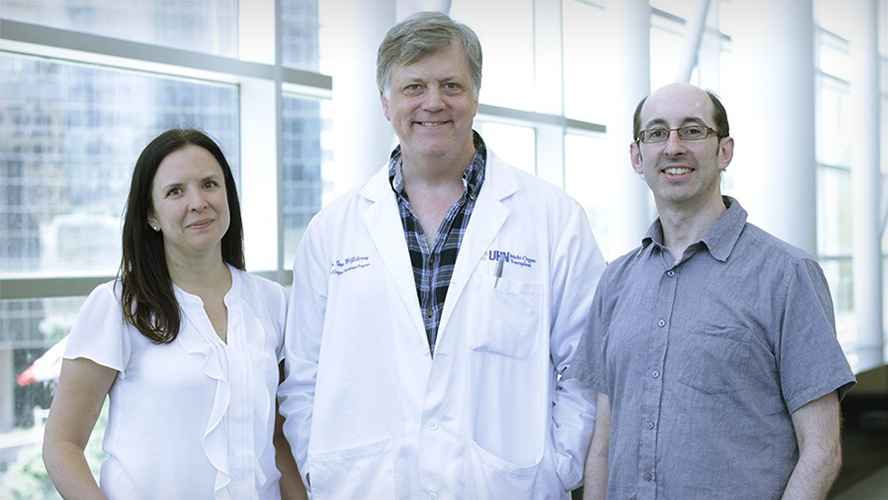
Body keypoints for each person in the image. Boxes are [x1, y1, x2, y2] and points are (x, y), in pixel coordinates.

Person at [277, 11, 606, 499]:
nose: (433, 103)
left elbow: (585, 368)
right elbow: (303, 379)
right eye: (413, 87)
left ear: (476, 96)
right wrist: (323, 469)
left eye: (451, 85)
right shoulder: (332, 231)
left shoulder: (554, 219)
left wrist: (558, 468)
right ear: (385, 102)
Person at [570, 82, 856, 500]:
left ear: (724, 151)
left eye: (692, 130)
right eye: (656, 133)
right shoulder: (616, 281)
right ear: (637, 156)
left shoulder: (787, 275)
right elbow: (602, 447)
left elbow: (822, 451)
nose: (673, 147)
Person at [43, 129, 307, 500]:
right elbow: (62, 444)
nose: (198, 202)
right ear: (151, 214)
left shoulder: (274, 301)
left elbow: (279, 437)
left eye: (209, 184)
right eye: (175, 191)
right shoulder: (117, 306)